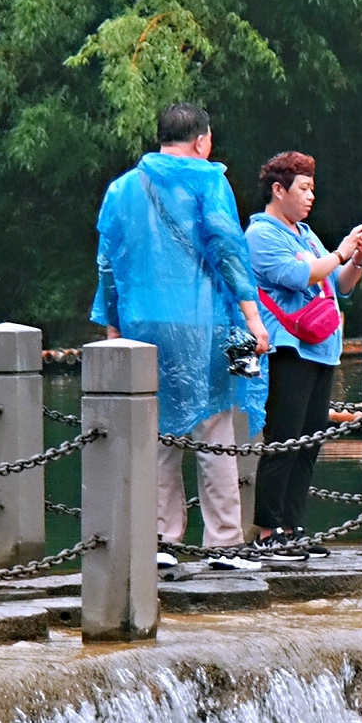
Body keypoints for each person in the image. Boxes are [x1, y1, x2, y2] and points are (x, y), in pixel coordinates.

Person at [93, 102, 269, 567]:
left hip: (141, 322)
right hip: (204, 321)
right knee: (215, 426)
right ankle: (224, 543)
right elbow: (228, 248)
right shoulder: (208, 179)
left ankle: (161, 541)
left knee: (157, 429)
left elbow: (109, 261)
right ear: (201, 141)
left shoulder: (122, 188)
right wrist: (252, 318)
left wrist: (114, 326)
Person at [246, 152, 362, 552]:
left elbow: (341, 284)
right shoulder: (260, 234)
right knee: (284, 439)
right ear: (278, 190)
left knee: (310, 439)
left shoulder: (306, 234)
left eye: (313, 189)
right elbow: (298, 275)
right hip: (287, 348)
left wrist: (357, 257)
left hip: (321, 350)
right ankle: (268, 531)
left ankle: (293, 526)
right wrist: (338, 252)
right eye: (303, 189)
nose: (310, 197)